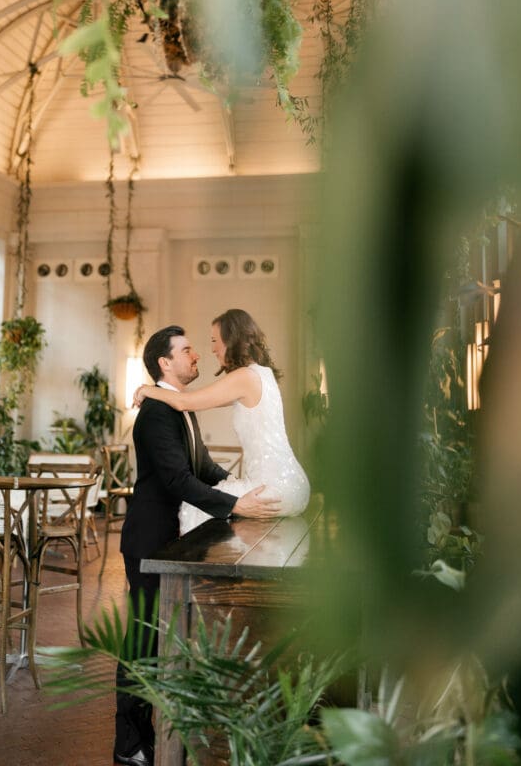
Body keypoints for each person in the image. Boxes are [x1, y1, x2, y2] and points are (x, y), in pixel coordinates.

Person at [115, 324, 281, 766]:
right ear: (164, 363)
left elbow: (203, 467)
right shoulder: (154, 414)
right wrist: (235, 506)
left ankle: (152, 734)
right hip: (149, 539)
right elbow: (176, 480)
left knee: (158, 638)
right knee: (143, 639)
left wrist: (241, 486)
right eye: (187, 351)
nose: (196, 357)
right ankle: (130, 744)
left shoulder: (177, 407)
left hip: (170, 539)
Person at [133, 308, 310, 536]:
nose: (212, 349)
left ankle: (206, 570)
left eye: (215, 340)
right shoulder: (261, 374)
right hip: (287, 483)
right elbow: (189, 402)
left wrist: (146, 389)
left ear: (231, 339)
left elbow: (184, 401)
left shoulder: (244, 377)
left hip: (275, 486)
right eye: (188, 350)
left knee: (193, 511)